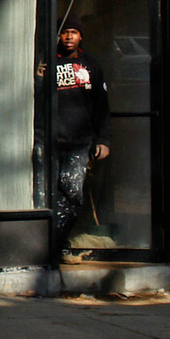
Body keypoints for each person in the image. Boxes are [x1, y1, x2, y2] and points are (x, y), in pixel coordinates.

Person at [50, 23, 111, 256]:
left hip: (79, 143)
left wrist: (104, 140)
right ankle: (52, 248)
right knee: (45, 197)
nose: (68, 37)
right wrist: (38, 76)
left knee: (73, 196)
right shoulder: (47, 64)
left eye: (73, 32)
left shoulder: (91, 66)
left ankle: (57, 243)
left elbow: (101, 106)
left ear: (81, 37)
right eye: (64, 32)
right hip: (49, 142)